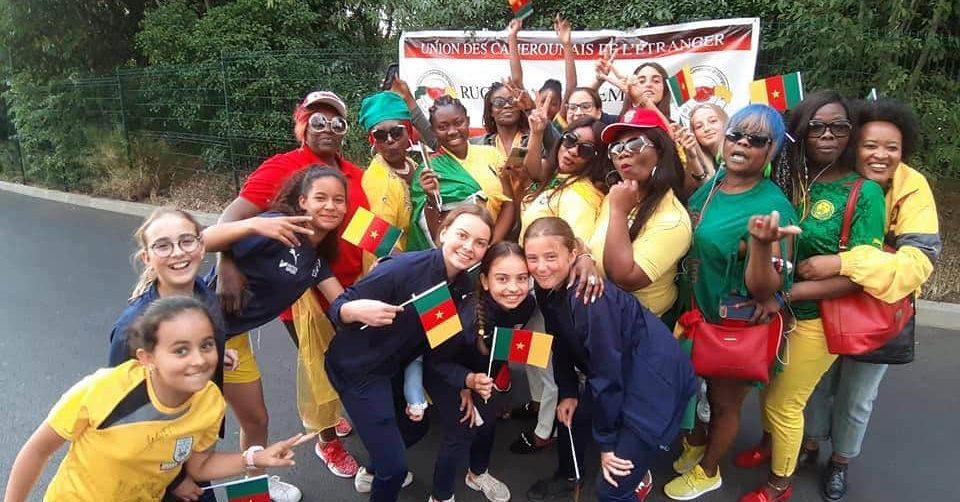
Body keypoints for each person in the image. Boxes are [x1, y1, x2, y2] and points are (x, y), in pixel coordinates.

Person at [4, 297, 307, 502]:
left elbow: (200, 467)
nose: (199, 360)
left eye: (206, 345)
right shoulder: (103, 389)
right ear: (147, 358)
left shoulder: (211, 401)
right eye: (180, 350)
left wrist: (254, 459)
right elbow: (37, 451)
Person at [787, 98, 940, 501]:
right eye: (870, 145)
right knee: (817, 382)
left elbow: (917, 263)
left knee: (857, 395)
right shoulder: (833, 180)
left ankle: (841, 462)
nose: (880, 155)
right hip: (827, 301)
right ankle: (810, 443)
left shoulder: (912, 188)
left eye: (892, 147)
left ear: (904, 151)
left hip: (880, 310)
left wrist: (844, 263)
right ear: (853, 144)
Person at [737, 91, 886, 502]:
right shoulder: (791, 181)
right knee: (767, 384)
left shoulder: (864, 193)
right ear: (801, 133)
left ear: (851, 134)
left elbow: (859, 276)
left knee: (785, 401)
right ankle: (770, 444)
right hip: (776, 310)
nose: (827, 135)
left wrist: (786, 293)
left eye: (839, 126)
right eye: (816, 126)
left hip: (818, 317)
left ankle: (779, 484)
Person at [215, 89, 364, 478]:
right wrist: (226, 264)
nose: (327, 128)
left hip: (336, 284)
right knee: (319, 368)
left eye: (336, 122)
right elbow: (229, 221)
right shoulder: (282, 169)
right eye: (317, 120)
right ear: (302, 125)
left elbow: (368, 229)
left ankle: (256, 484)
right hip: (294, 296)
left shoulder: (355, 175)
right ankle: (326, 440)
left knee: (339, 364)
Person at [661, 104, 797, 500]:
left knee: (723, 403)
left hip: (731, 326)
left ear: (771, 151)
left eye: (756, 139)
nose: (742, 144)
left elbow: (765, 290)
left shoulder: (771, 206)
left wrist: (761, 245)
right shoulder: (717, 183)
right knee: (690, 389)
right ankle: (697, 442)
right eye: (736, 134)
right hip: (694, 313)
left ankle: (709, 471)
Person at [325, 205, 494, 502]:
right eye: (462, 235)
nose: (469, 247)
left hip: (395, 366)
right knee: (394, 469)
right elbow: (338, 307)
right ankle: (384, 471)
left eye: (480, 242)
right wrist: (355, 310)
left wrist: (464, 382)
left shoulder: (462, 285)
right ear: (444, 232)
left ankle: (371, 473)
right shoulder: (401, 268)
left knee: (416, 428)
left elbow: (440, 344)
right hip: (358, 369)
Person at [204, 166, 354, 500]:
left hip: (232, 341)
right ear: (302, 202)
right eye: (321, 198)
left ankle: (252, 489)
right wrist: (245, 234)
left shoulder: (316, 258)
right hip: (192, 335)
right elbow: (199, 240)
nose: (331, 206)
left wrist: (387, 293)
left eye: (338, 200)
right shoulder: (277, 227)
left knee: (256, 420)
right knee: (194, 430)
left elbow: (343, 303)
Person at [523, 217, 697, 502]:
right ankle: (569, 476)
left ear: (572, 254)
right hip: (621, 368)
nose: (541, 267)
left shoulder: (589, 301)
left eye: (551, 257)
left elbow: (607, 377)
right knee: (574, 415)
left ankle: (631, 478)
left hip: (653, 384)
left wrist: (606, 445)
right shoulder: (547, 288)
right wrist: (568, 391)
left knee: (612, 489)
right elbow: (560, 341)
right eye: (533, 258)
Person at [424, 241, 537, 502]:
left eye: (522, 278)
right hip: (445, 371)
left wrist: (484, 379)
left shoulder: (526, 304)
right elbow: (435, 360)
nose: (513, 288)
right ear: (485, 281)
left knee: (487, 419)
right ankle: (440, 496)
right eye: (502, 278)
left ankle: (477, 473)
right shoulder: (468, 322)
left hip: (483, 374)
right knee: (460, 433)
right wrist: (466, 382)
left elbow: (503, 344)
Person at [591, 108, 691, 324]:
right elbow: (591, 245)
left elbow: (624, 278)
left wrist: (619, 212)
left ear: (661, 151)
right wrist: (584, 259)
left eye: (635, 143)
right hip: (603, 317)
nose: (623, 153)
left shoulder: (673, 219)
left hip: (640, 327)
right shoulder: (617, 195)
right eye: (616, 147)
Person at [407, 96, 515, 249]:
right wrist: (431, 199)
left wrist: (489, 246)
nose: (452, 131)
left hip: (494, 248)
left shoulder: (491, 154)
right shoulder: (428, 171)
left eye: (458, 123)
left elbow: (508, 204)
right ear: (433, 131)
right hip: (459, 252)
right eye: (443, 127)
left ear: (468, 121)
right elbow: (432, 233)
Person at [677, 103, 728, 193]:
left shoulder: (738, 154)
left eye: (713, 121)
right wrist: (693, 158)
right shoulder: (709, 164)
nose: (706, 128)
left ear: (725, 123)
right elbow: (709, 193)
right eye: (699, 126)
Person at [472, 80, 530, 156]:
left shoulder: (535, 138)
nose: (507, 106)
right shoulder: (476, 145)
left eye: (512, 101)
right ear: (491, 111)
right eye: (499, 102)